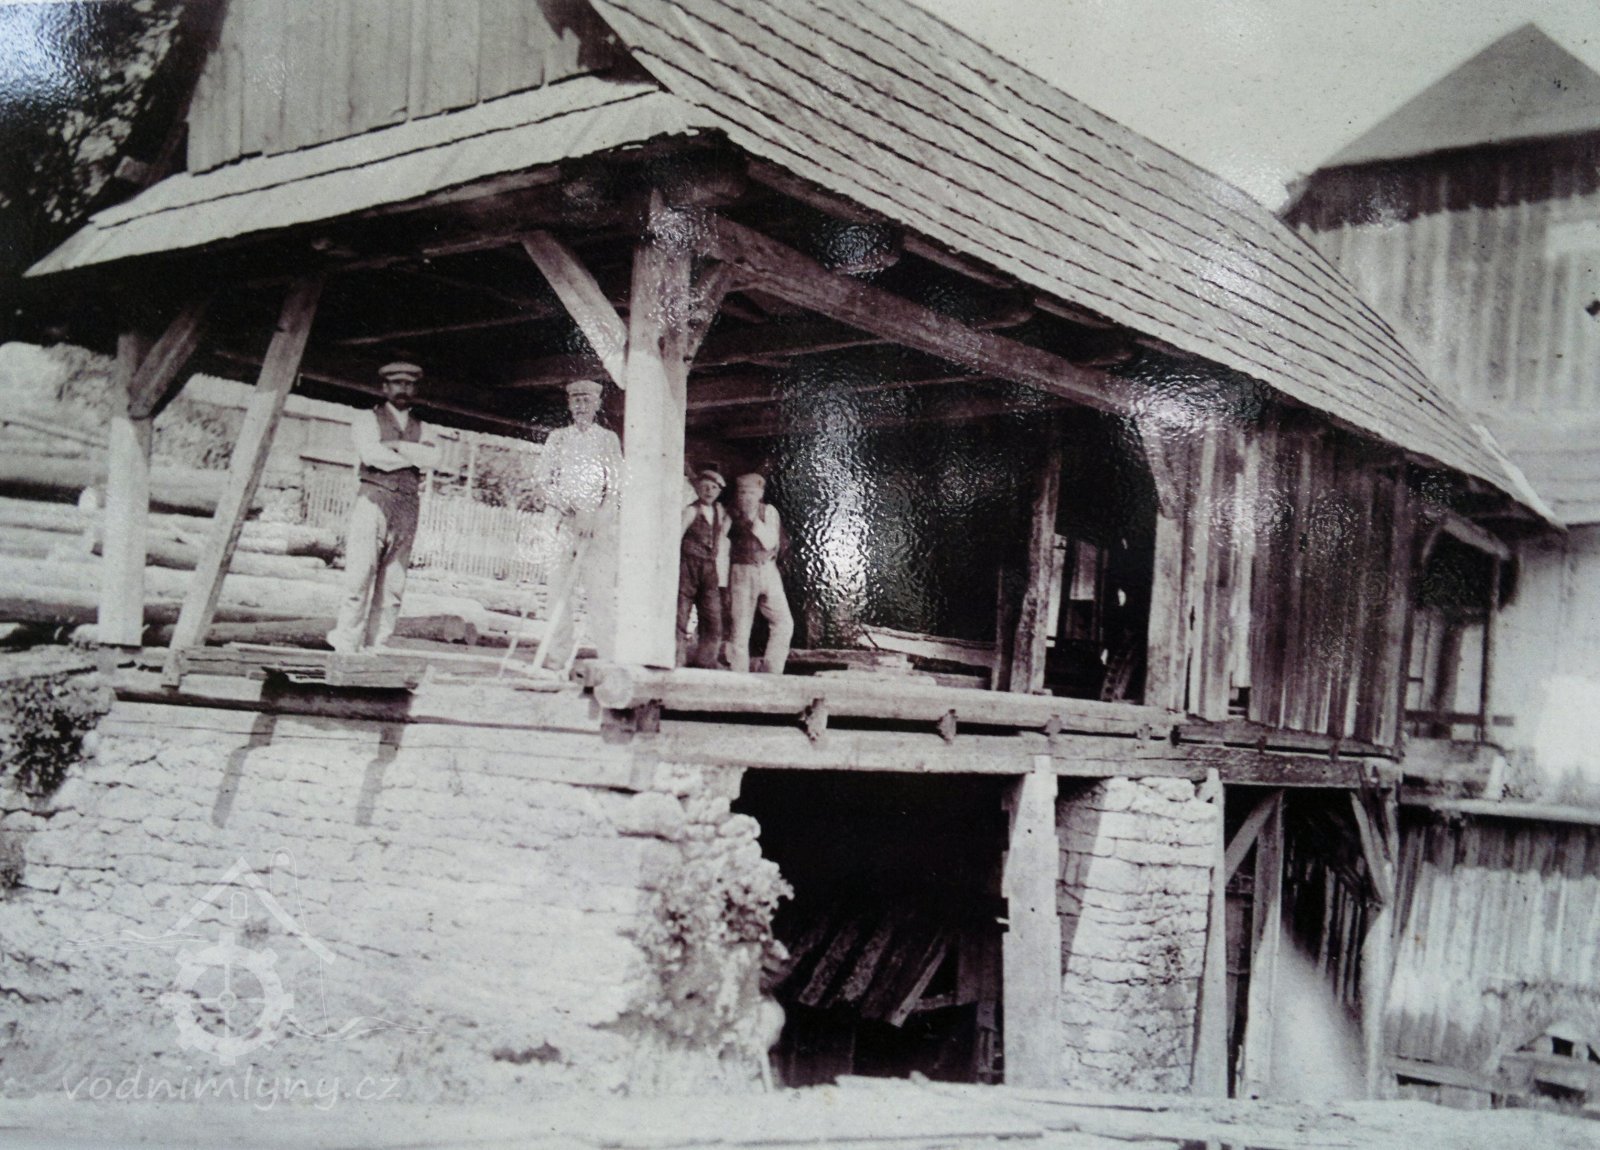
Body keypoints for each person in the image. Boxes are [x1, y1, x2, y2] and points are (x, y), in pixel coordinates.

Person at [328, 362, 439, 652]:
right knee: (359, 577)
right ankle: (346, 643)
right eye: (397, 383)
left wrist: (396, 446)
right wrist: (412, 455)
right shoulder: (366, 419)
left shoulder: (424, 427)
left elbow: (433, 459)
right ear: (385, 387)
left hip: (407, 504)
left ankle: (377, 645)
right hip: (372, 499)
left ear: (415, 389)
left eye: (409, 384)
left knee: (393, 582)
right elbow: (372, 455)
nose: (403, 389)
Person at [534, 378, 622, 665]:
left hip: (596, 529)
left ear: (597, 404)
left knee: (600, 595)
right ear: (570, 405)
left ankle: (609, 659)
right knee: (558, 593)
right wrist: (569, 507)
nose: (581, 406)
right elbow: (542, 483)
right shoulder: (558, 438)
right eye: (576, 400)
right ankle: (557, 657)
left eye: (587, 400)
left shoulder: (607, 440)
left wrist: (595, 518)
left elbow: (615, 489)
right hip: (561, 524)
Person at [727, 473, 793, 675]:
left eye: (752, 492)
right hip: (742, 571)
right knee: (740, 628)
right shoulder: (730, 514)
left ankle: (773, 671)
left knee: (783, 622)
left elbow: (770, 541)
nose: (747, 497)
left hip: (768, 569)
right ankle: (739, 676)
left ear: (760, 494)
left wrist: (752, 519)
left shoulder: (768, 511)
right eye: (742, 492)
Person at [678, 468, 731, 668]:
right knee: (681, 615)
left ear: (719, 491)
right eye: (705, 487)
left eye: (714, 488)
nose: (709, 491)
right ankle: (676, 660)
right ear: (698, 489)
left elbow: (723, 534)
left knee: (713, 617)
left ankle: (706, 662)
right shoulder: (691, 511)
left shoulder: (720, 511)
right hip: (688, 567)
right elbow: (676, 537)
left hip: (709, 569)